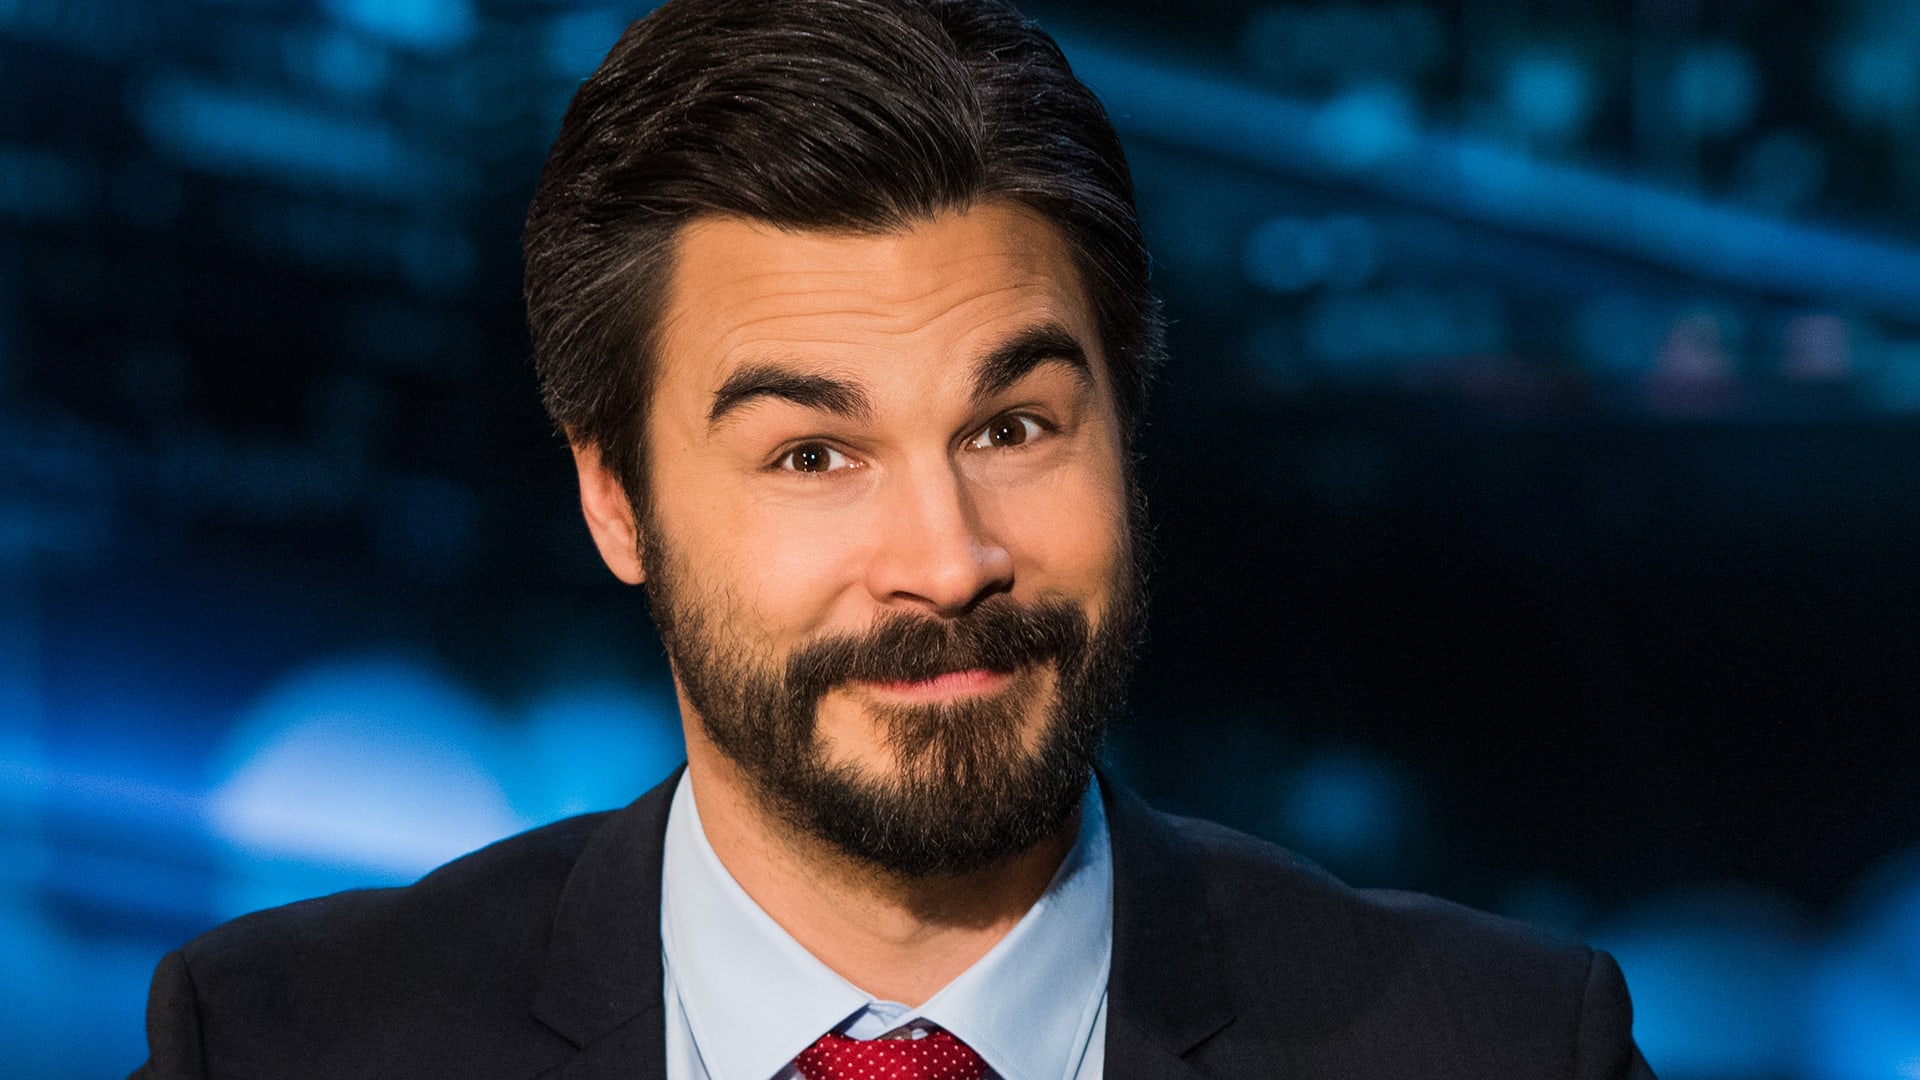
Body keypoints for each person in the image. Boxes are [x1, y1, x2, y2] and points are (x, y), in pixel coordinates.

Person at [133, 0, 1655, 1077]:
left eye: (1014, 428)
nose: (948, 559)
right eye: (814, 455)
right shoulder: (276, 1045)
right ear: (617, 501)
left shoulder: (1508, 1048)